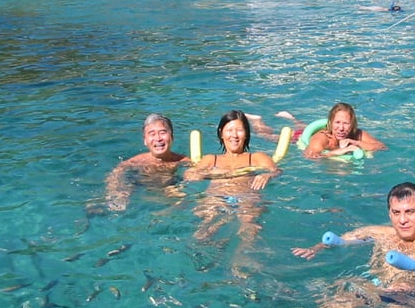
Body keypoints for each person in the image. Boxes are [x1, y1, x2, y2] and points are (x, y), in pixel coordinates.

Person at [184, 111, 280, 264]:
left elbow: (276, 171)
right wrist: (200, 175)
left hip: (247, 197)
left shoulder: (256, 157)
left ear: (246, 134)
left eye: (239, 130)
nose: (234, 135)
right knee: (204, 230)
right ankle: (207, 256)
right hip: (217, 198)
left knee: (249, 227)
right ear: (221, 133)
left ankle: (241, 262)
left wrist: (266, 176)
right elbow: (189, 175)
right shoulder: (211, 159)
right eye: (229, 130)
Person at [104, 114, 188, 211]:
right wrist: (116, 190)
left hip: (169, 188)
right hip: (140, 186)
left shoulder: (181, 161)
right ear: (145, 140)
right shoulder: (137, 161)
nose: (158, 138)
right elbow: (116, 172)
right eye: (152, 134)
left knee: (182, 201)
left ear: (172, 137)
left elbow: (202, 166)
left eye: (162, 132)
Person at [303, 102, 386, 158]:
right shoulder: (322, 138)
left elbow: (382, 147)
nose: (341, 128)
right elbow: (311, 157)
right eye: (337, 122)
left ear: (352, 124)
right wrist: (340, 151)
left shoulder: (357, 135)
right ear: (331, 123)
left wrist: (356, 143)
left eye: (346, 123)